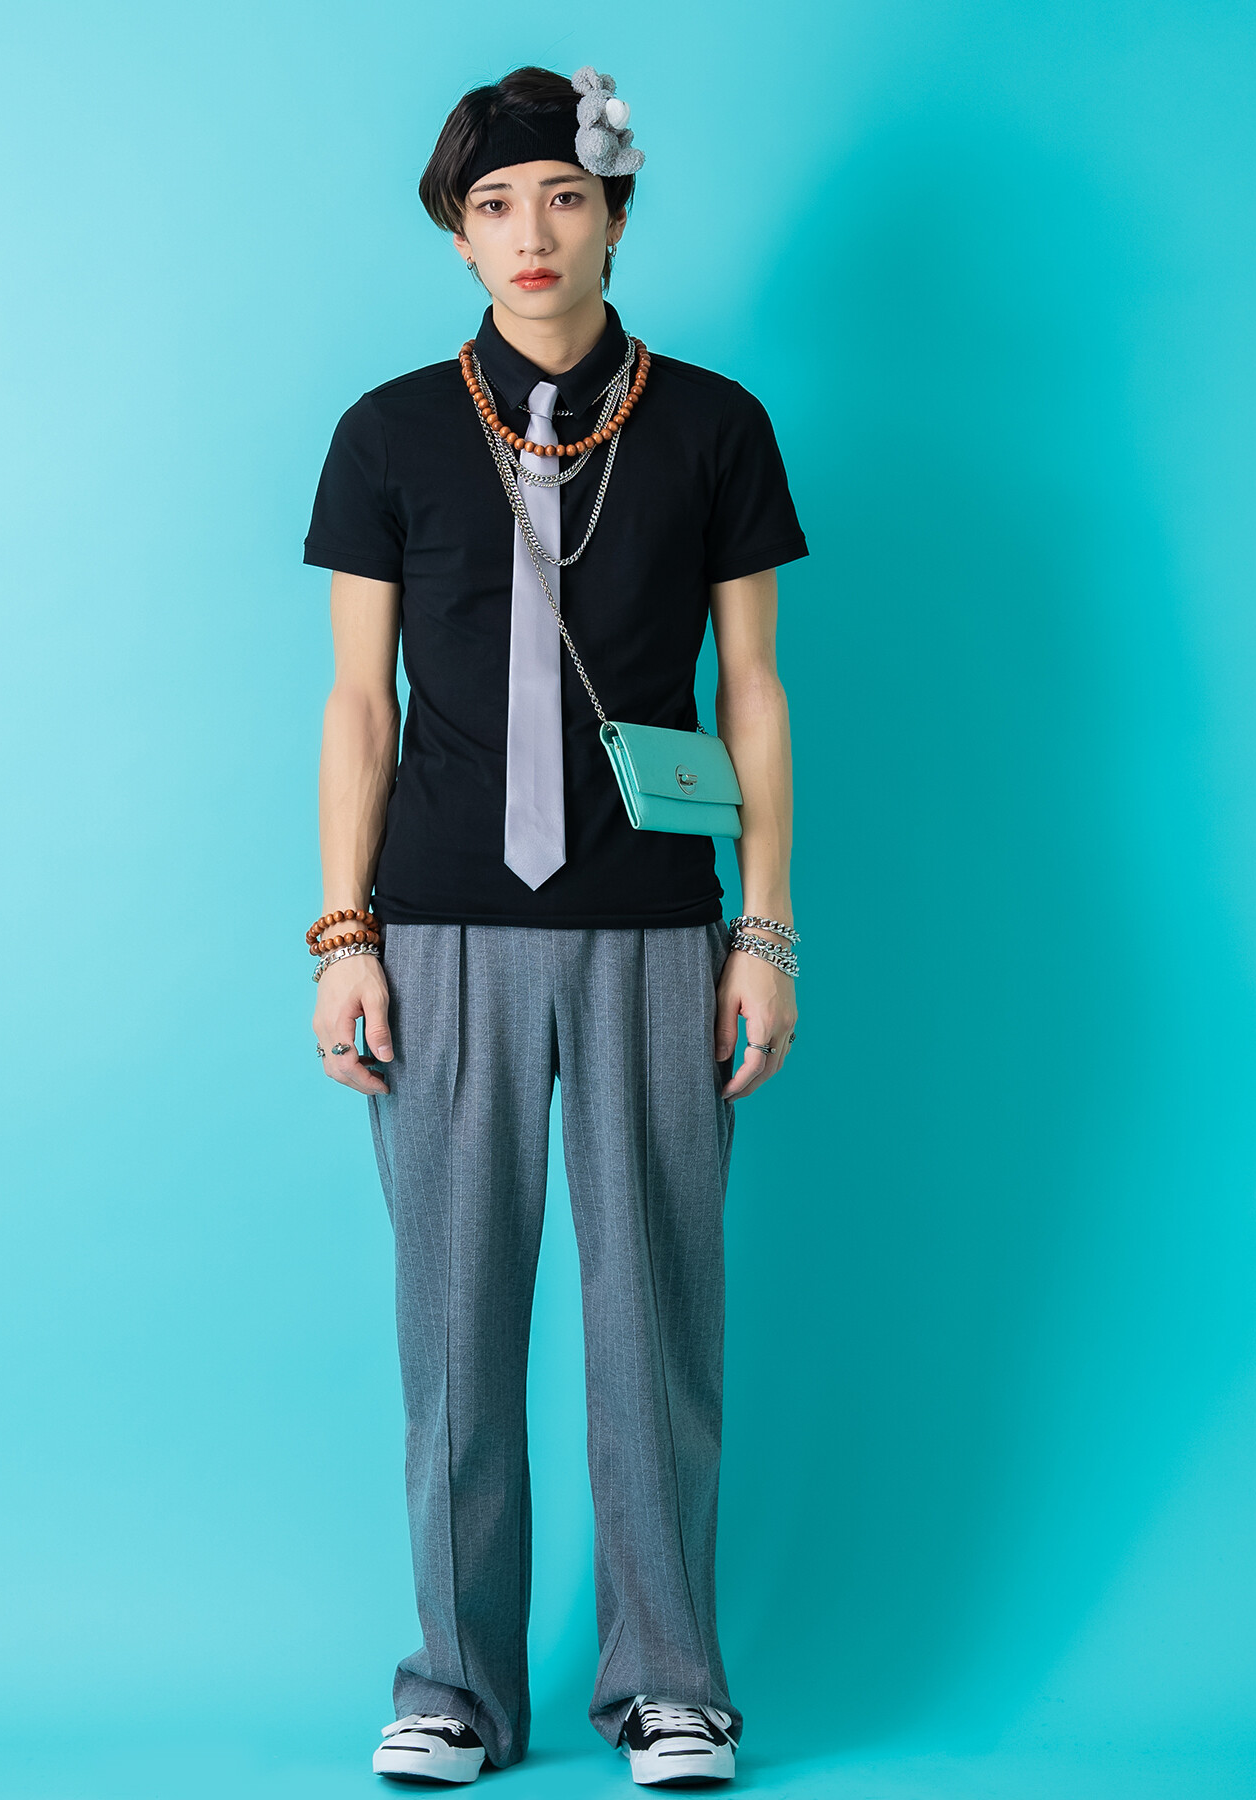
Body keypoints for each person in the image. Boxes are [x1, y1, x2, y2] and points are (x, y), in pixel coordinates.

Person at [302, 63, 807, 1788]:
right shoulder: (386, 434)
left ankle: (671, 1683)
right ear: (460, 237)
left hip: (656, 928)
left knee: (656, 1323)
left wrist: (765, 933)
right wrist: (343, 937)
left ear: (615, 215)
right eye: (496, 206)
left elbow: (753, 689)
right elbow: (356, 703)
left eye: (565, 198)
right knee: (453, 1332)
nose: (533, 234)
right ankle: (454, 1684)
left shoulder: (715, 425)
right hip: (441, 927)